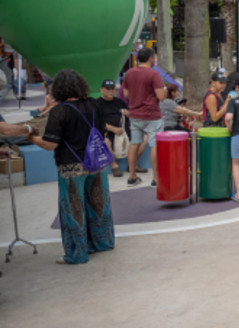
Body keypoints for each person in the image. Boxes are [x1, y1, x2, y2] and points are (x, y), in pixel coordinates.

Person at [26, 69, 115, 264]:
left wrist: (31, 137)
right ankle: (103, 242)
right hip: (96, 164)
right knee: (99, 204)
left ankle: (77, 253)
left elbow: (50, 144)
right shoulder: (94, 104)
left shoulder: (61, 111)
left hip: (71, 167)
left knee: (74, 210)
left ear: (59, 89)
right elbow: (103, 133)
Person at [122, 47, 166, 187]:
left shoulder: (129, 73)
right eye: (155, 58)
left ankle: (132, 177)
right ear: (150, 59)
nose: (156, 60)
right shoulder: (154, 75)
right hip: (152, 115)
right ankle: (156, 179)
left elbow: (127, 94)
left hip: (135, 114)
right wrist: (163, 91)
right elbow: (161, 96)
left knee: (134, 143)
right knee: (155, 145)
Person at [96, 79, 129, 177]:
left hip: (124, 131)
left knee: (143, 138)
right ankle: (114, 166)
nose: (110, 91)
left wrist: (128, 113)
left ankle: (133, 164)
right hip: (108, 132)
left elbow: (131, 114)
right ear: (102, 90)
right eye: (107, 89)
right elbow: (97, 121)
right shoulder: (97, 103)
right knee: (104, 142)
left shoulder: (119, 102)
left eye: (112, 89)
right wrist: (113, 129)